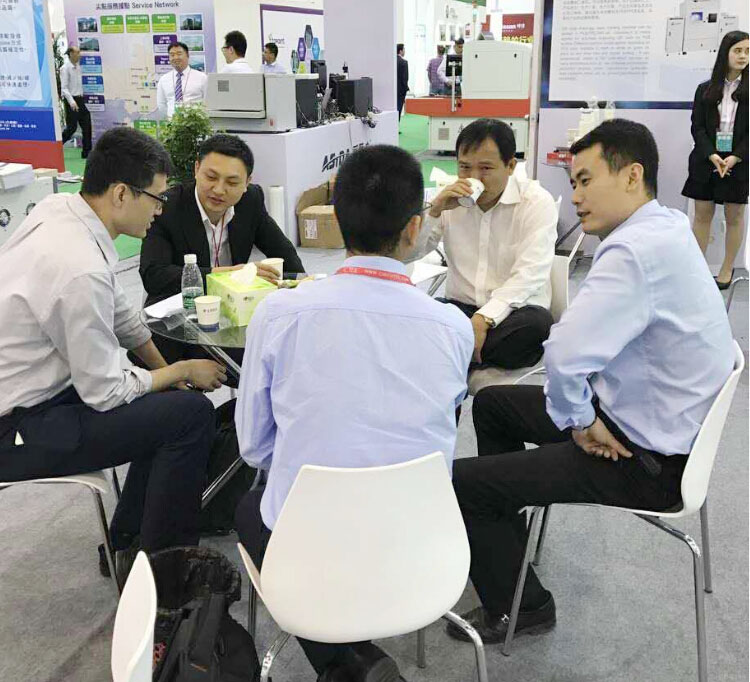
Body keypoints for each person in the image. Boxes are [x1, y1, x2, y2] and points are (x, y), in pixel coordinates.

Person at [445, 119, 734, 647]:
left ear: (632, 176)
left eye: (585, 180)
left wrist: (581, 421)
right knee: (492, 406)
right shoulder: (667, 225)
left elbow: (564, 354)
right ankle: (507, 550)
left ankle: (523, 608)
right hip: (658, 426)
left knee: (461, 483)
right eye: (572, 183)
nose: (575, 196)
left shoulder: (631, 251)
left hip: (644, 459)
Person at [234, 145, 473, 682]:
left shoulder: (278, 313)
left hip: (310, 544)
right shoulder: (454, 327)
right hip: (422, 542)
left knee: (250, 509)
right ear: (415, 228)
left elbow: (253, 447)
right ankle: (356, 662)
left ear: (337, 223)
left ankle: (352, 662)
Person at [0, 127, 227, 561]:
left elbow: (121, 313)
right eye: (156, 198)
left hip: (40, 395)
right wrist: (179, 371)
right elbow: (105, 392)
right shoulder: (77, 267)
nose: (159, 211)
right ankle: (165, 569)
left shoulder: (62, 210)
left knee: (168, 406)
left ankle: (129, 542)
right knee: (190, 416)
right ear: (122, 193)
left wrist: (161, 372)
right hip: (18, 428)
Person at [140, 133, 304, 364]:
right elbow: (154, 275)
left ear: (247, 183)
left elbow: (285, 255)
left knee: (281, 353)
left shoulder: (251, 201)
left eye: (232, 182)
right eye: (211, 177)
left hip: (231, 315)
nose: (218, 190)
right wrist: (228, 275)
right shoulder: (168, 207)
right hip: (180, 320)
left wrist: (303, 290)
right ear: (196, 169)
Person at [421, 118, 557, 370]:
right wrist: (435, 211)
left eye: (485, 168)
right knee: (421, 320)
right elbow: (414, 252)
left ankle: (458, 355)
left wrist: (485, 318)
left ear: (510, 166)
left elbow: (530, 274)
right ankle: (472, 356)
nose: (474, 178)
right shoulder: (449, 200)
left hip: (514, 310)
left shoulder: (535, 202)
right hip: (460, 307)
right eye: (464, 167)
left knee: (537, 326)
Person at [683, 30, 748, 289]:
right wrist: (711, 154)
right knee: (702, 216)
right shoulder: (705, 89)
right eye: (738, 50)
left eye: (747, 51)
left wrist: (736, 157)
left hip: (739, 160)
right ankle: (697, 268)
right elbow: (697, 126)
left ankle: (727, 268)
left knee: (734, 216)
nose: (743, 56)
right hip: (705, 158)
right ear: (725, 53)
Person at [156, 41, 208, 118]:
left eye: (179, 54)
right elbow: (161, 105)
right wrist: (172, 117)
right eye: (172, 55)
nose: (175, 57)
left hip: (196, 122)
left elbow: (207, 102)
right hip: (172, 122)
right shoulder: (164, 79)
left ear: (187, 55)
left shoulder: (202, 77)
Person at [60, 46, 92, 159]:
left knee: (87, 125)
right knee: (71, 128)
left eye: (79, 52)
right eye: (77, 52)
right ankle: (56, 146)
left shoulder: (78, 67)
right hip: (71, 101)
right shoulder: (65, 68)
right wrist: (72, 102)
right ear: (71, 54)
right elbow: (64, 88)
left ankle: (87, 152)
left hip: (80, 99)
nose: (79, 55)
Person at [397, 43, 409, 120]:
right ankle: (396, 125)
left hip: (393, 90)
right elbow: (405, 78)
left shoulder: (392, 61)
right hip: (401, 91)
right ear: (400, 51)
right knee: (398, 109)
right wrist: (406, 88)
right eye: (404, 49)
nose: (404, 51)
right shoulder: (404, 62)